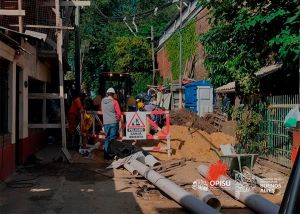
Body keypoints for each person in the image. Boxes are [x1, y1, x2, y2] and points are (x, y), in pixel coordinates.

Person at [101, 88, 121, 159]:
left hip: (106, 122)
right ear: (113, 94)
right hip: (113, 122)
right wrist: (118, 120)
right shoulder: (115, 102)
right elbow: (119, 113)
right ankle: (112, 154)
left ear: (107, 94)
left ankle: (106, 154)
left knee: (107, 138)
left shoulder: (102, 101)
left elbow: (102, 110)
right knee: (112, 139)